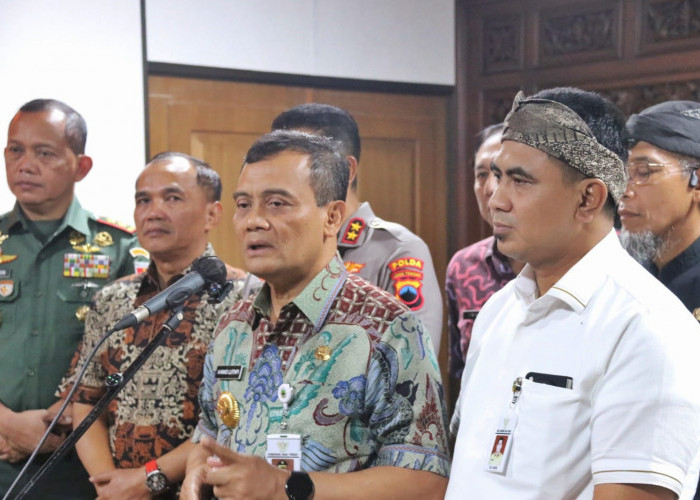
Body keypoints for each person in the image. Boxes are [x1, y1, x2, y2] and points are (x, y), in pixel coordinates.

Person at [446, 88, 700, 499]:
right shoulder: (498, 309)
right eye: (497, 176)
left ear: (588, 198)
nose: (496, 199)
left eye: (520, 181)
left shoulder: (647, 326)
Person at [181, 131, 449, 500]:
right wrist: (195, 475)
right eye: (243, 205)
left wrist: (284, 487)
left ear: (332, 216)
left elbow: (427, 482)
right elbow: (208, 433)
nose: (252, 221)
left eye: (277, 204)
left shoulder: (387, 327)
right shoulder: (234, 323)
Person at [58, 152, 252, 499]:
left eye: (172, 198)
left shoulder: (245, 298)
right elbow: (86, 400)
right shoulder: (112, 300)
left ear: (212, 214)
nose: (153, 212)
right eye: (143, 200)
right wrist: (110, 483)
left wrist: (145, 480)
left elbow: (236, 417)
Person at [0, 99, 138, 497]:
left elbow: (131, 355)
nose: (26, 165)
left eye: (44, 153)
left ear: (81, 166)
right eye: (15, 150)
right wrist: (10, 425)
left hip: (81, 461)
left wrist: (59, 420)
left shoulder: (120, 248)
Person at [270, 103, 443, 352]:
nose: (279, 180)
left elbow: (412, 359)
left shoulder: (396, 250)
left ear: (346, 170)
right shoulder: (273, 248)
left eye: (298, 166)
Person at [445, 123, 523, 387]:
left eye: (502, 174)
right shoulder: (464, 266)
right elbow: (460, 372)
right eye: (481, 174)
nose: (490, 188)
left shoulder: (574, 259)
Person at [619, 100, 700, 320]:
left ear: (696, 184)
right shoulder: (621, 279)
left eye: (643, 172)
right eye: (621, 174)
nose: (623, 191)